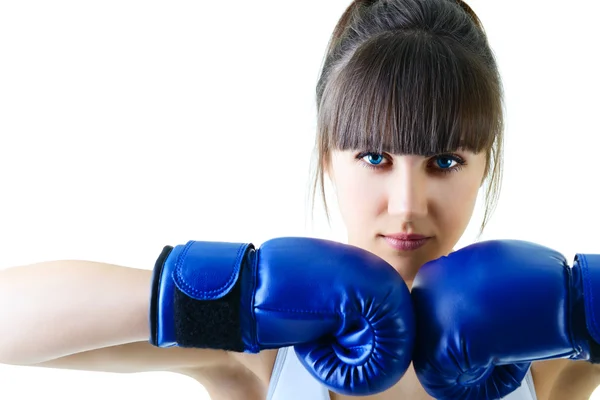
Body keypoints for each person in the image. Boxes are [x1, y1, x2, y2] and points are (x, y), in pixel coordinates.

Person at [1, 1, 599, 400]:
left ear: (485, 163)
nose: (407, 204)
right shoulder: (264, 351)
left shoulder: (547, 352)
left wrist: (584, 302)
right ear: (326, 158)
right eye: (374, 158)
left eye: (445, 162)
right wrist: (232, 295)